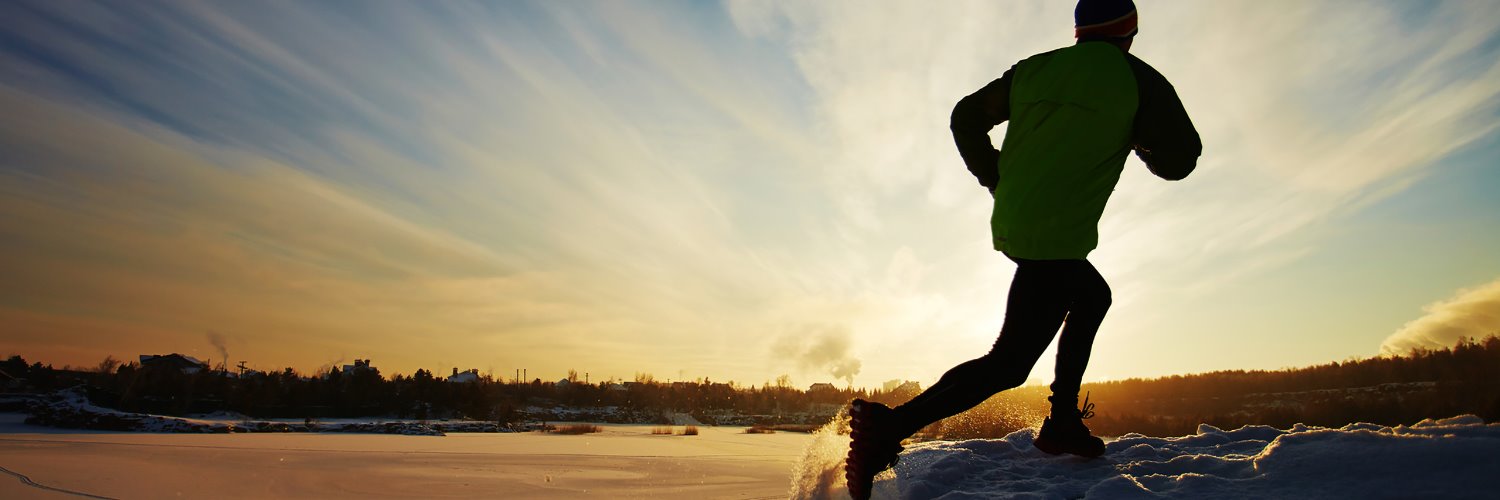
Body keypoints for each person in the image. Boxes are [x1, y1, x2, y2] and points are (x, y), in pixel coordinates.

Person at [844, 0, 1201, 497]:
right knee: (1010, 364)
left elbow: (965, 116)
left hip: (1016, 221)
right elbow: (1181, 161)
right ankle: (890, 428)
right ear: (1130, 33)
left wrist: (995, 176)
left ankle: (1060, 421)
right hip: (1056, 237)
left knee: (1092, 296)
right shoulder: (1139, 81)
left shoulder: (1035, 70)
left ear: (1079, 30)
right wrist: (1138, 136)